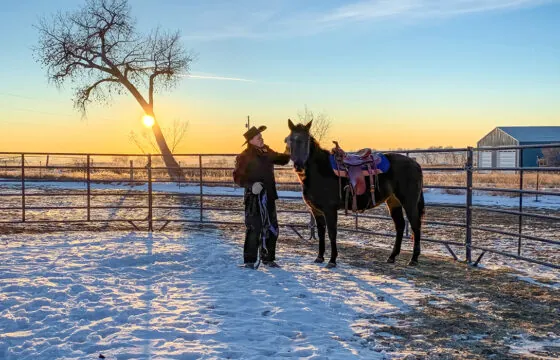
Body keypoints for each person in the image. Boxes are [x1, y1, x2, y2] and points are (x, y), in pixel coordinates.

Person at [233, 125, 291, 269]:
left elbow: (282, 160)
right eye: (259, 137)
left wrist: (289, 147)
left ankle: (268, 258)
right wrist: (251, 185)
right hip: (254, 198)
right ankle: (250, 261)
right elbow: (237, 177)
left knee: (272, 227)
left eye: (261, 137)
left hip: (269, 196)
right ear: (251, 140)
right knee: (254, 228)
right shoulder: (244, 156)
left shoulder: (267, 152)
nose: (262, 139)